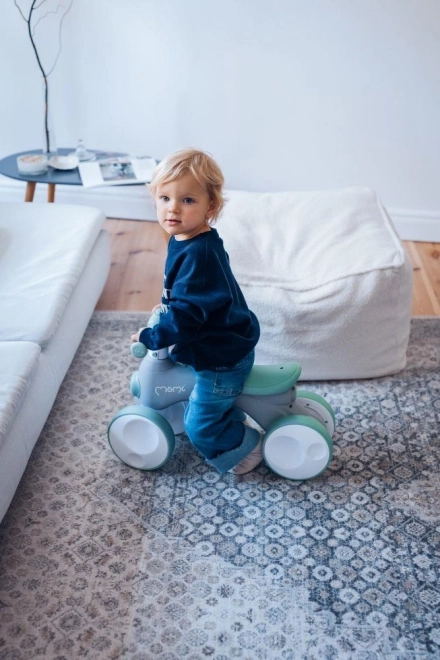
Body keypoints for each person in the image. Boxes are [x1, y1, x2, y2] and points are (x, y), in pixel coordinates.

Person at [131, 148, 262, 475]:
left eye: (187, 200)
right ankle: (227, 415)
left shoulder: (199, 254)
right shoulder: (185, 237)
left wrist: (153, 336)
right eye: (164, 197)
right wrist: (166, 308)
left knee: (199, 424)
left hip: (220, 359)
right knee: (202, 406)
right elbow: (188, 297)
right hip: (218, 339)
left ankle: (247, 446)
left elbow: (188, 316)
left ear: (211, 207)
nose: (172, 208)